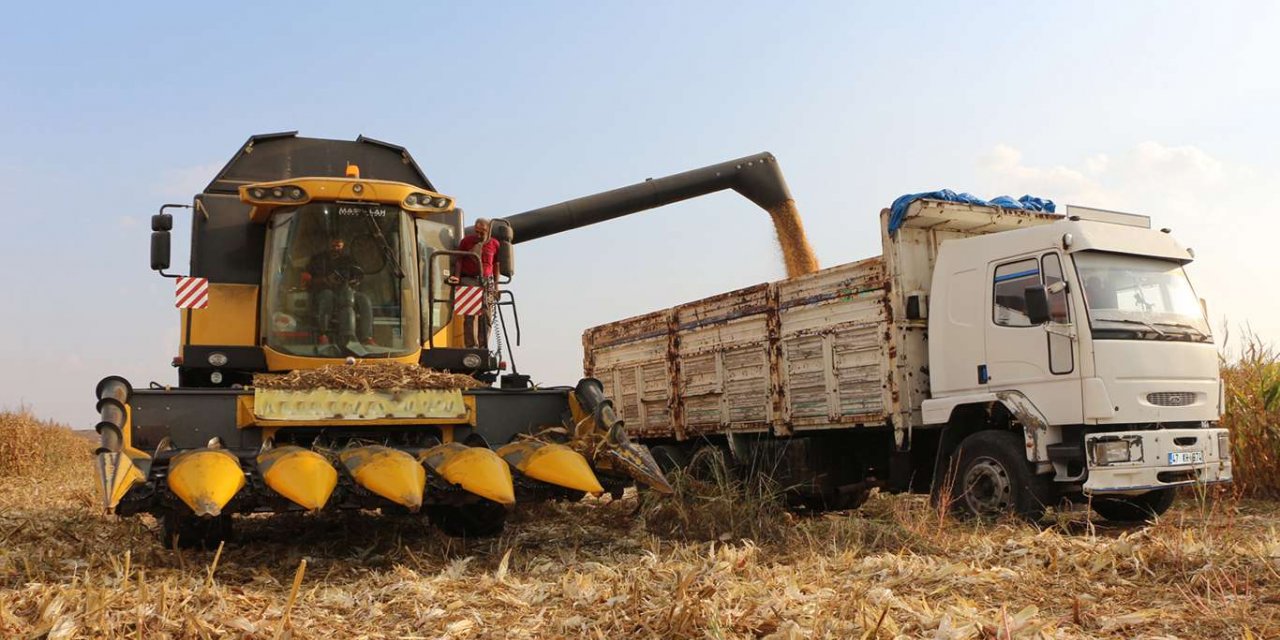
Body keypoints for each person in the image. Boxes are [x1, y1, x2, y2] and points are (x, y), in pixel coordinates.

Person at [304, 238, 374, 347]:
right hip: (323, 291)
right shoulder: (317, 260)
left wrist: (354, 281)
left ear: (342, 246)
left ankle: (367, 337)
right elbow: (307, 280)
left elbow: (357, 275)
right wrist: (325, 280)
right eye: (333, 246)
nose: (336, 248)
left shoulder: (349, 260)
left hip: (347, 291)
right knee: (327, 296)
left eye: (338, 246)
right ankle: (323, 334)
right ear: (328, 245)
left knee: (364, 300)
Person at [448, 218, 500, 349]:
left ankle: (484, 346)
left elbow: (496, 265)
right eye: (476, 231)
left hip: (487, 282)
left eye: (482, 232)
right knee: (470, 315)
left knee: (486, 315)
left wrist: (496, 287)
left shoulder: (495, 244)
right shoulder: (466, 242)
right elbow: (459, 259)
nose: (478, 235)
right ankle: (471, 345)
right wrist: (457, 277)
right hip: (469, 279)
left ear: (488, 231)